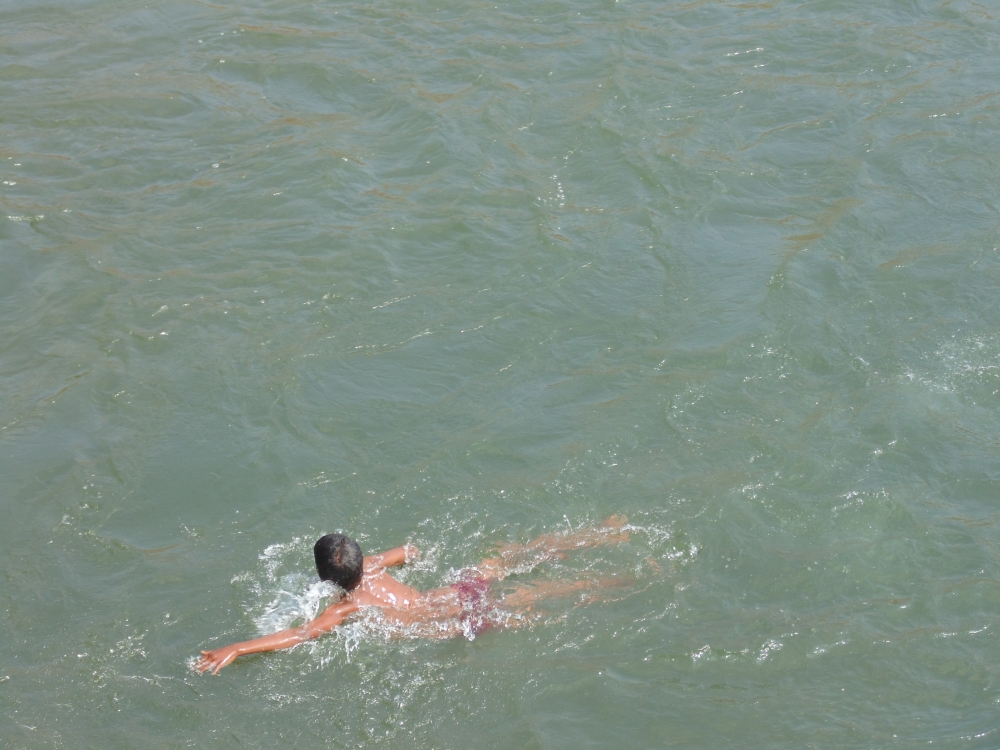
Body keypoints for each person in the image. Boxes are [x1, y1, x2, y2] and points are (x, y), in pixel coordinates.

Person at [195, 516, 630, 674]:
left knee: (550, 596)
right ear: (360, 559)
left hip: (454, 624)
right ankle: (604, 534)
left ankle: (622, 581)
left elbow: (302, 635)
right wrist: (407, 554)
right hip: (455, 592)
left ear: (328, 580)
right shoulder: (378, 565)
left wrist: (238, 646)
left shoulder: (347, 606)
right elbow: (409, 550)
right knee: (505, 560)